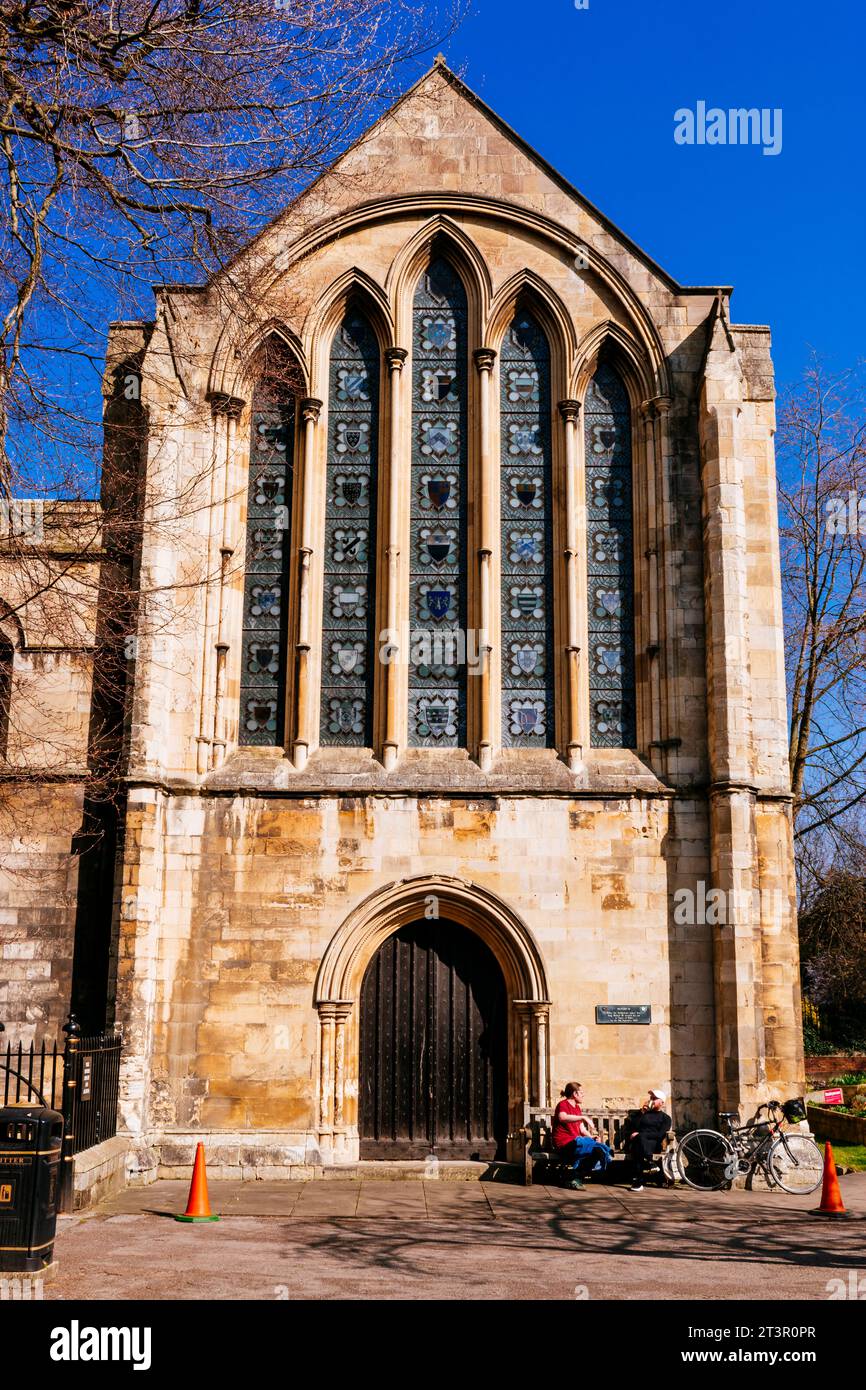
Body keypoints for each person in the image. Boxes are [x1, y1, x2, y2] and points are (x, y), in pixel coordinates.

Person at [551, 1082, 613, 1190]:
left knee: (598, 1151)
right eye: (581, 1093)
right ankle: (572, 1178)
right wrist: (583, 1118)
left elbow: (582, 1129)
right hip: (564, 1144)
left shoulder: (577, 1108)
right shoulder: (563, 1104)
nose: (583, 1095)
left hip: (576, 1142)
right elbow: (562, 1117)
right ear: (575, 1094)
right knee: (587, 1144)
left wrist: (592, 1138)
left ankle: (574, 1178)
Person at [626, 1088, 672, 1191]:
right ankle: (649, 1162)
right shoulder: (643, 1114)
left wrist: (642, 1135)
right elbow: (634, 1127)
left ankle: (638, 1181)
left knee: (639, 1139)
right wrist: (642, 1112)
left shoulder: (666, 1118)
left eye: (654, 1098)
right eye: (651, 1097)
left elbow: (660, 1134)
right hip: (639, 1143)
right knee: (638, 1143)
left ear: (661, 1102)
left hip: (653, 1144)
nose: (651, 1100)